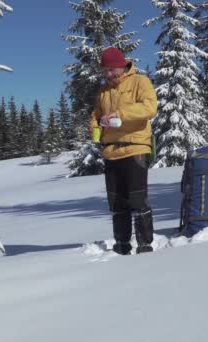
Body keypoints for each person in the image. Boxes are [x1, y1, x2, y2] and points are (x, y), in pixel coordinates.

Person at [90, 47, 158, 255]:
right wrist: (95, 130)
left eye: (111, 69)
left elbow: (149, 108)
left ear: (122, 64)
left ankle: (145, 245)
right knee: (117, 202)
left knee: (137, 199)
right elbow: (96, 115)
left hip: (135, 147)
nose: (108, 74)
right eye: (105, 71)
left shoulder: (140, 82)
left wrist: (120, 114)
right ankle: (122, 245)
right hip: (111, 151)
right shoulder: (103, 91)